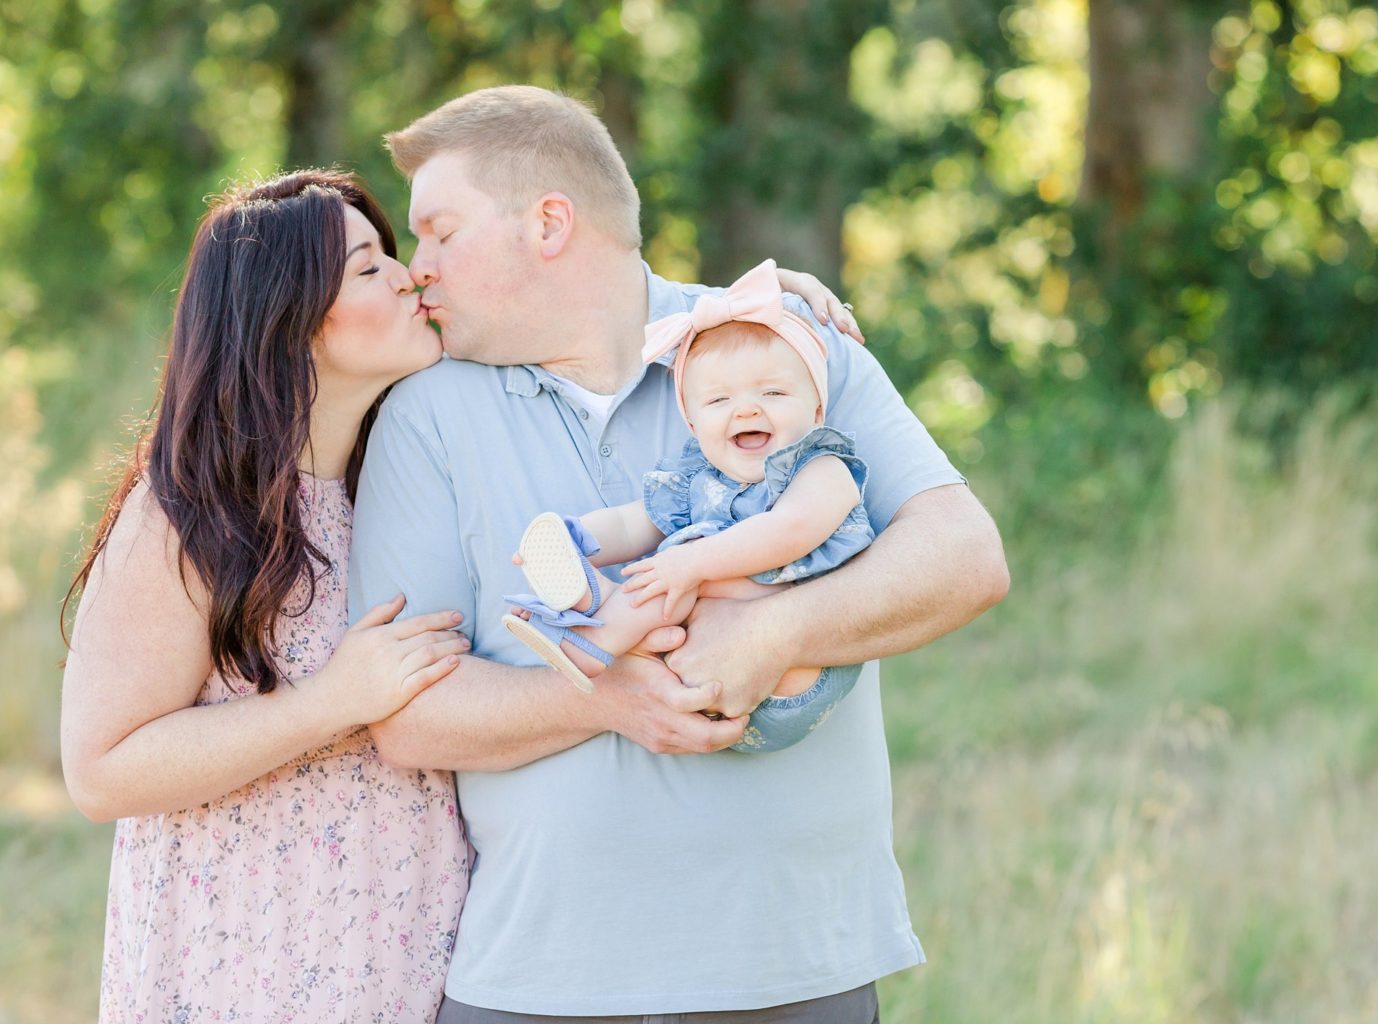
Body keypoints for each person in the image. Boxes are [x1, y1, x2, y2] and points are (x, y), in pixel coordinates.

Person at [349, 84, 1010, 1022]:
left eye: (440, 232)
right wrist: (613, 700)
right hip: (538, 981)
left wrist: (774, 632)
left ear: (547, 223)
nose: (419, 269)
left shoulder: (782, 348)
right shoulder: (424, 414)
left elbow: (966, 559)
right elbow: (409, 719)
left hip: (793, 968)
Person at [59, 170, 472, 1023]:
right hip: (248, 976)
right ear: (288, 318)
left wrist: (778, 317)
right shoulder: (188, 511)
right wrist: (335, 701)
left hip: (410, 968)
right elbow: (100, 770)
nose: (407, 276)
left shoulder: (407, 483)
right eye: (368, 269)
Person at [504, 258, 875, 753]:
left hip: (799, 676)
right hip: (702, 677)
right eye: (719, 401)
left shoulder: (820, 467)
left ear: (816, 409)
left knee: (689, 557)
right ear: (695, 425)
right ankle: (587, 597)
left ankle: (596, 632)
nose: (747, 408)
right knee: (672, 556)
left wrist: (691, 564)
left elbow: (791, 531)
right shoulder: (700, 478)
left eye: (773, 392)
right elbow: (635, 521)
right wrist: (582, 538)